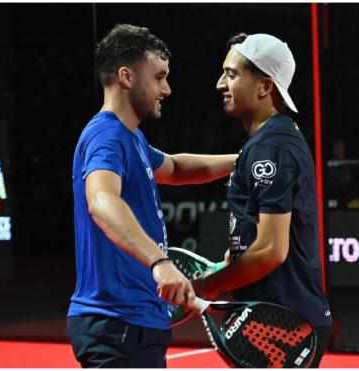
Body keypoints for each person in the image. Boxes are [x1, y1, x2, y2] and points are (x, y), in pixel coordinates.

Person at [67, 24, 237, 368]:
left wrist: (245, 160)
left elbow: (175, 168)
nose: (167, 89)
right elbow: (101, 201)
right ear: (126, 76)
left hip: (137, 322)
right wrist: (160, 263)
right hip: (116, 324)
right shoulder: (107, 136)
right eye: (159, 77)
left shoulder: (131, 139)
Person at [191, 33, 332, 367]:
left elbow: (271, 250)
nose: (219, 84)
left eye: (232, 74)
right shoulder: (273, 140)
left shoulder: (272, 148)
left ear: (265, 87)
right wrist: (238, 255)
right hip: (276, 316)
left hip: (284, 323)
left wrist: (205, 287)